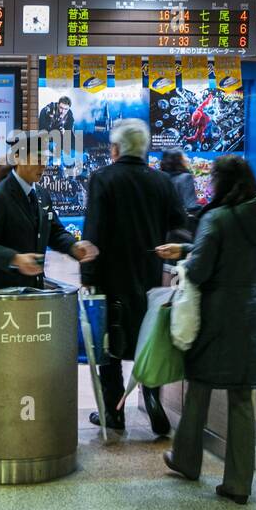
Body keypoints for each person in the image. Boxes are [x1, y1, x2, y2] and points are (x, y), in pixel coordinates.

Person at [156, 155, 256, 505]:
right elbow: (232, 251)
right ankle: (239, 482)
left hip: (215, 315)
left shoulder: (216, 218)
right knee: (242, 398)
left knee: (199, 388)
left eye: (213, 179)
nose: (209, 185)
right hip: (248, 313)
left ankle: (186, 460)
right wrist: (189, 247)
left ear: (223, 182)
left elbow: (200, 271)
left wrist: (185, 259)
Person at [80, 120, 187, 434]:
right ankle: (152, 401)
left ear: (115, 149)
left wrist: (88, 274)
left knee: (110, 343)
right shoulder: (161, 182)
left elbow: (93, 231)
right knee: (147, 338)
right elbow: (180, 224)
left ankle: (114, 413)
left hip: (111, 276)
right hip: (150, 275)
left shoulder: (103, 179)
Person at [0, 136, 98, 291]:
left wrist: (73, 246)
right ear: (17, 157)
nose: (43, 165)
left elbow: (55, 232)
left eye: (46, 158)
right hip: (3, 294)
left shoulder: (42, 194)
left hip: (35, 291)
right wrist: (16, 259)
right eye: (38, 158)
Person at [161, 149, 200, 217]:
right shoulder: (185, 178)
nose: (187, 158)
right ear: (178, 161)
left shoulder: (161, 177)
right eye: (184, 157)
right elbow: (191, 206)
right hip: (180, 222)